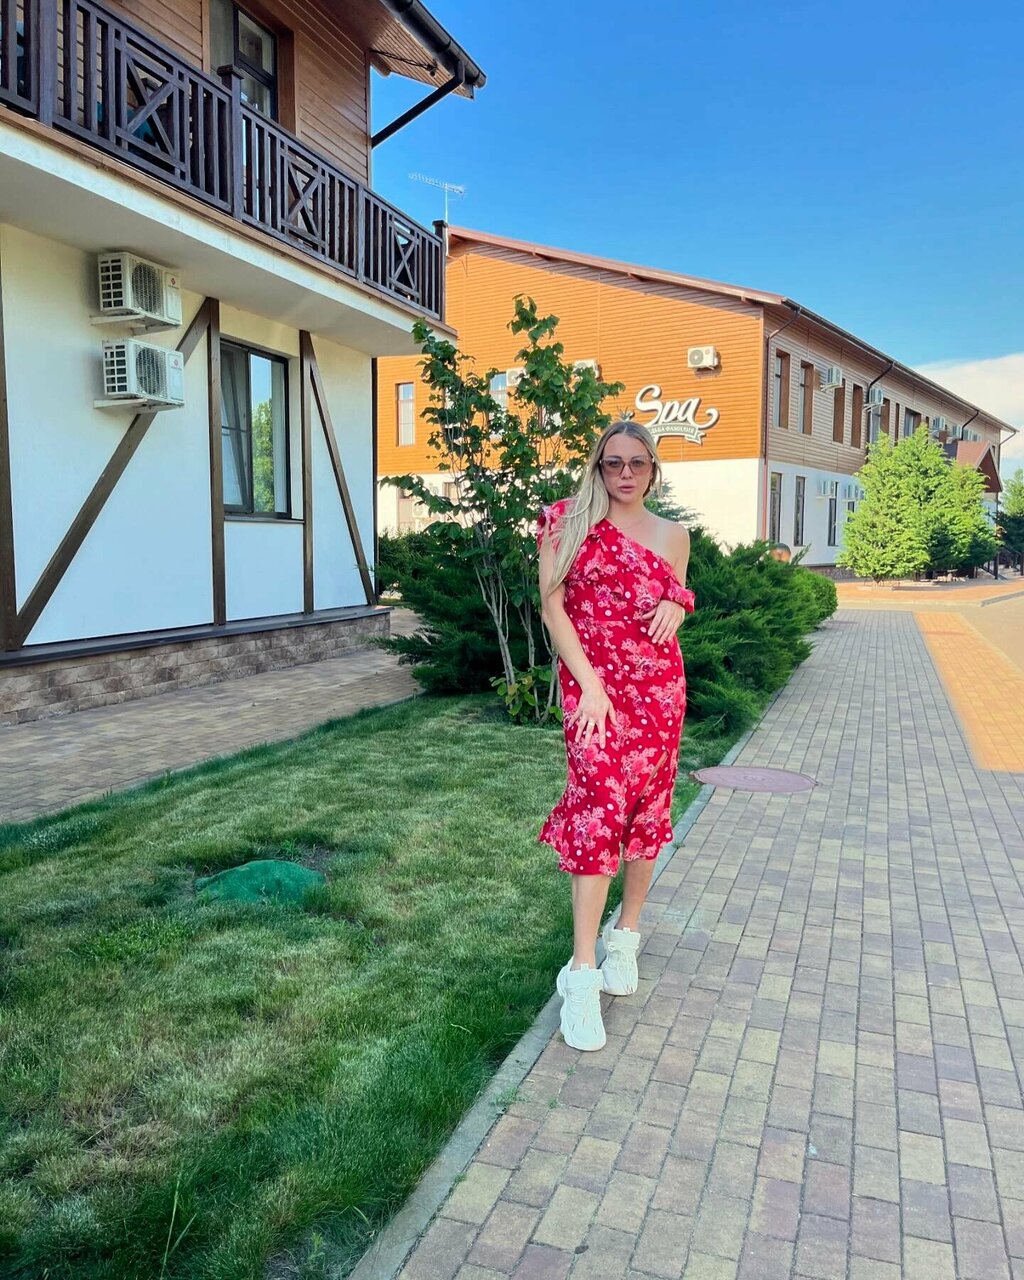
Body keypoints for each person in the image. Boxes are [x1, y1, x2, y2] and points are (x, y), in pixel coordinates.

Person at [536, 419, 695, 1051]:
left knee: (646, 811)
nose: (625, 474)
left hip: (657, 691)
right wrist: (592, 687)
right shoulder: (566, 522)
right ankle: (580, 975)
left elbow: (676, 593)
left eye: (637, 463)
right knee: (598, 810)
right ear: (597, 467)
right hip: (592, 691)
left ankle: (625, 935)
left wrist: (678, 603)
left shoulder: (674, 534)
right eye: (613, 463)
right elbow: (553, 608)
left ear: (653, 470)